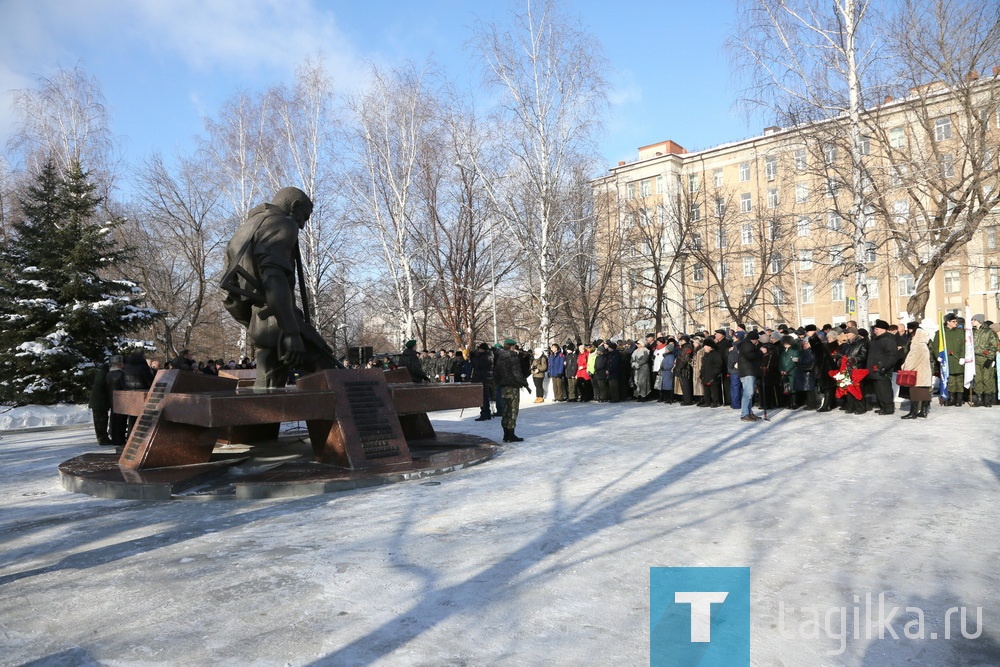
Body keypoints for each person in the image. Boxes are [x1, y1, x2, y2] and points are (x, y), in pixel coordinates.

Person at [220, 186, 343, 389]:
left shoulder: (248, 227)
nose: (302, 226)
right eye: (304, 217)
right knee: (331, 377)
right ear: (294, 206)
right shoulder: (282, 224)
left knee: (268, 387)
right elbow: (273, 279)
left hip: (260, 320)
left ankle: (261, 421)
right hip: (280, 321)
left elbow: (228, 292)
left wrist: (251, 319)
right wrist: (292, 332)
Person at [494, 338, 529, 442]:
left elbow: (496, 373)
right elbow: (517, 374)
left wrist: (499, 383)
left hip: (504, 387)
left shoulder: (500, 358)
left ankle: (505, 435)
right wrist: (524, 382)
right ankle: (511, 435)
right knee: (513, 411)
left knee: (505, 410)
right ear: (512, 347)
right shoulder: (513, 358)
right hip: (513, 387)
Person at [900, 323, 933, 419]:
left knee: (914, 393)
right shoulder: (923, 345)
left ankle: (913, 412)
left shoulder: (917, 346)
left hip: (917, 374)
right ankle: (923, 411)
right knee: (923, 393)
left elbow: (912, 360)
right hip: (923, 374)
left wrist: (904, 367)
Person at [931, 312, 965, 405]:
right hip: (946, 360)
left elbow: (964, 345)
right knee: (949, 380)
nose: (956, 323)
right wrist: (938, 355)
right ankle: (950, 398)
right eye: (953, 321)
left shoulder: (960, 332)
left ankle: (959, 399)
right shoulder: (940, 333)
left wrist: (962, 357)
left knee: (959, 380)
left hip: (958, 360)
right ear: (948, 322)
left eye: (956, 321)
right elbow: (935, 346)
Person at [867, 320, 898, 415]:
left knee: (885, 390)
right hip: (875, 370)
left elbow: (892, 355)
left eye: (876, 329)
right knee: (879, 390)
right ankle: (882, 406)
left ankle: (888, 408)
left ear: (883, 329)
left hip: (882, 370)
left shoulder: (888, 340)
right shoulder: (877, 339)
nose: (874, 331)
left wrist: (885, 367)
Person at [971, 314, 998, 407]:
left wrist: (990, 357)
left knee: (987, 378)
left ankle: (987, 400)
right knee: (978, 379)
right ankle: (979, 399)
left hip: (985, 358)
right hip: (975, 358)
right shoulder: (972, 332)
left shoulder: (988, 332)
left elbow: (994, 345)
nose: (972, 322)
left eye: (974, 320)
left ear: (979, 321)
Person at [737, 331, 764, 422]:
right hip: (747, 372)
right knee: (748, 393)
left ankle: (749, 412)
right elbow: (750, 356)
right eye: (757, 340)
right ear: (754, 339)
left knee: (749, 393)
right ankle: (745, 413)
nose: (757, 342)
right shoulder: (747, 345)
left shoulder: (746, 345)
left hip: (749, 372)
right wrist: (761, 352)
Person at [88, 360, 113, 446]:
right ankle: (103, 439)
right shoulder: (105, 375)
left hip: (96, 402)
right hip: (100, 403)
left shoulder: (101, 373)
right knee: (101, 421)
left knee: (99, 422)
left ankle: (101, 438)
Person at [105, 355, 128, 448]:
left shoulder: (108, 374)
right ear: (120, 364)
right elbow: (125, 387)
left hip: (111, 398)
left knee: (114, 419)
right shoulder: (121, 375)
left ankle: (115, 438)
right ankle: (120, 439)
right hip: (121, 400)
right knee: (121, 421)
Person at [470, 342, 495, 421]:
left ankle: (484, 413)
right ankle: (486, 413)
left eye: (479, 349)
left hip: (483, 378)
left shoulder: (486, 356)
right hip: (485, 378)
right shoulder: (487, 355)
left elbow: (478, 365)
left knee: (483, 397)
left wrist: (473, 357)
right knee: (484, 397)